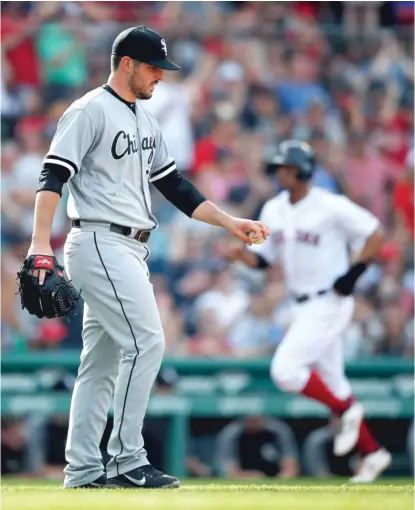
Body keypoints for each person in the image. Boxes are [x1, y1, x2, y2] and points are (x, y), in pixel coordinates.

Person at [27, 25, 269, 489]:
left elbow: (175, 186)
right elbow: (52, 175)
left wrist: (230, 222)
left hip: (129, 247)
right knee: (147, 343)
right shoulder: (88, 111)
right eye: (154, 67)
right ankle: (125, 459)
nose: (161, 75)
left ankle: (82, 471)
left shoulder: (144, 118)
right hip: (98, 239)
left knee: (99, 362)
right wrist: (40, 243)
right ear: (127, 64)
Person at [227, 140, 391, 483]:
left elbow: (375, 232)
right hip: (299, 303)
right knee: (333, 381)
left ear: (303, 170)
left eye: (287, 168)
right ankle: (373, 452)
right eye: (278, 168)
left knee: (285, 370)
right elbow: (265, 259)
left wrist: (353, 274)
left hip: (330, 300)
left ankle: (345, 411)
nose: (280, 174)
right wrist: (244, 257)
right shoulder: (274, 208)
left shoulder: (329, 205)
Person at [215, 416, 299, 479]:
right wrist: (253, 477)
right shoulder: (232, 434)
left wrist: (278, 481)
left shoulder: (278, 430)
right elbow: (230, 473)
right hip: (246, 481)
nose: (254, 419)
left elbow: (291, 470)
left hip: (275, 478)